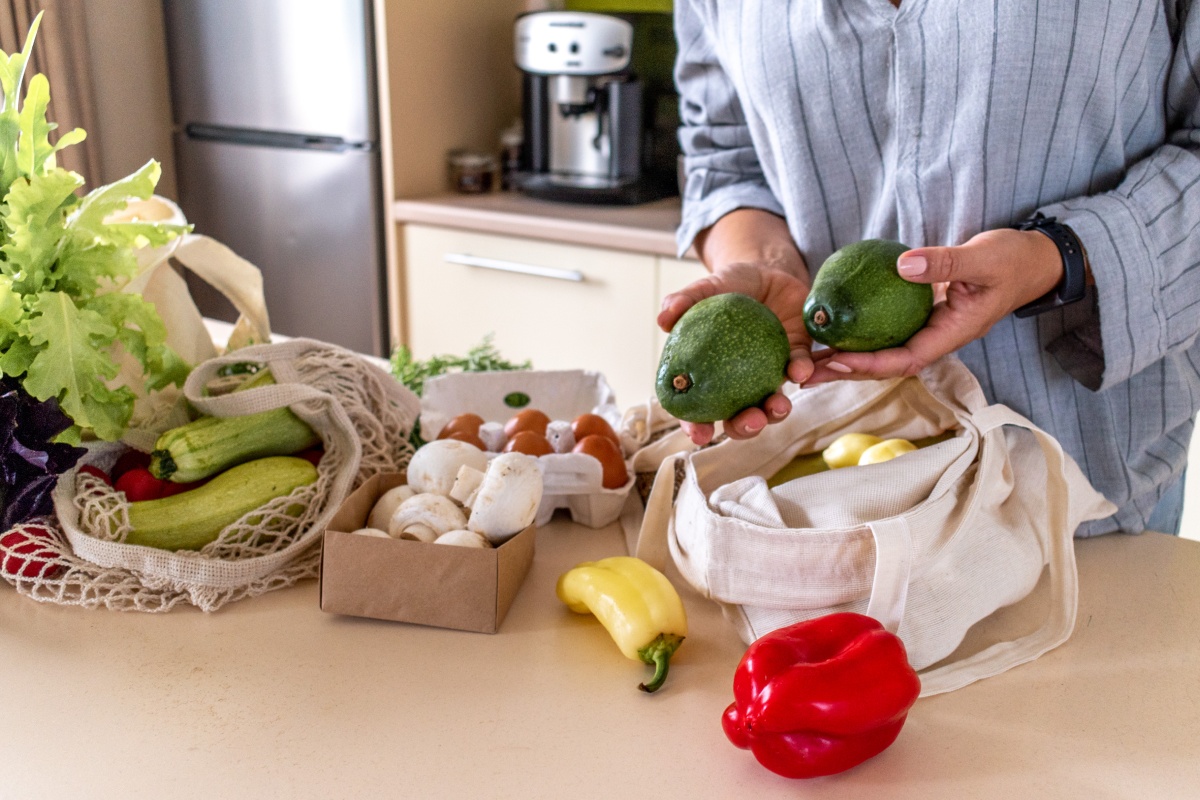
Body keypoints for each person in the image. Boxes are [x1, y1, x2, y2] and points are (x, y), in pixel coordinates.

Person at [661, 0, 1200, 536]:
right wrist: (767, 269)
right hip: (830, 496)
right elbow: (727, 161)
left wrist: (1055, 257)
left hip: (1086, 489)